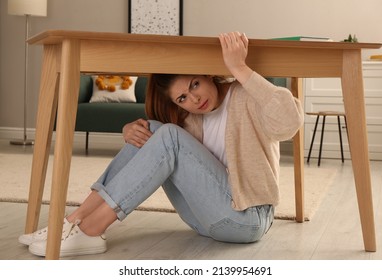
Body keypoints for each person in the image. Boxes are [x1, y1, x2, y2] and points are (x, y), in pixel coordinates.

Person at [19, 32, 304, 257]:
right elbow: (159, 138)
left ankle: (91, 231)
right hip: (203, 220)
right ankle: (73, 221)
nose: (194, 100)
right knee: (153, 129)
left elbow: (289, 123)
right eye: (182, 98)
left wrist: (239, 67)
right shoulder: (191, 118)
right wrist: (130, 129)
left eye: (194, 84)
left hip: (248, 219)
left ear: (207, 74)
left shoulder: (244, 95)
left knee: (166, 134)